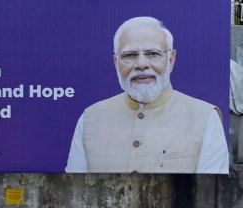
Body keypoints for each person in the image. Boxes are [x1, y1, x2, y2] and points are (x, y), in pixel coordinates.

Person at [66, 16, 229, 174]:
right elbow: (75, 189)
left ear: (171, 59)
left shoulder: (205, 117)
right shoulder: (90, 118)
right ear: (116, 62)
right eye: (129, 55)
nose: (141, 64)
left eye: (153, 53)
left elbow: (209, 193)